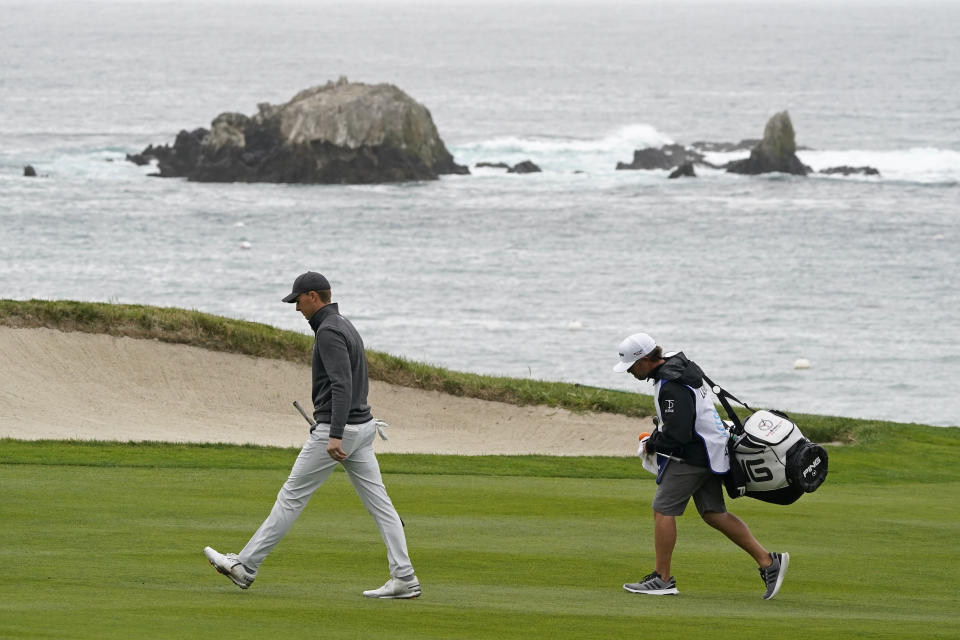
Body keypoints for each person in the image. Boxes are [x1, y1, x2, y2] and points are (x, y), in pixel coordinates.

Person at [204, 271, 420, 599]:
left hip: (341, 430)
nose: (296, 309)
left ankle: (245, 565)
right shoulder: (343, 324)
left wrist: (333, 433)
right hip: (362, 428)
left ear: (313, 297)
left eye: (298, 301)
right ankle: (404, 577)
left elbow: (342, 384)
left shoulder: (330, 331)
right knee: (381, 505)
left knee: (292, 497)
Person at [613, 332, 788, 600]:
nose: (630, 372)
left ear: (646, 360)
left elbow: (679, 434)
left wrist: (653, 443)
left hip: (694, 455)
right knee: (713, 513)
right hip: (711, 451)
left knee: (662, 510)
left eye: (633, 367)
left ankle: (662, 579)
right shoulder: (677, 366)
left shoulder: (671, 383)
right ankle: (768, 562)